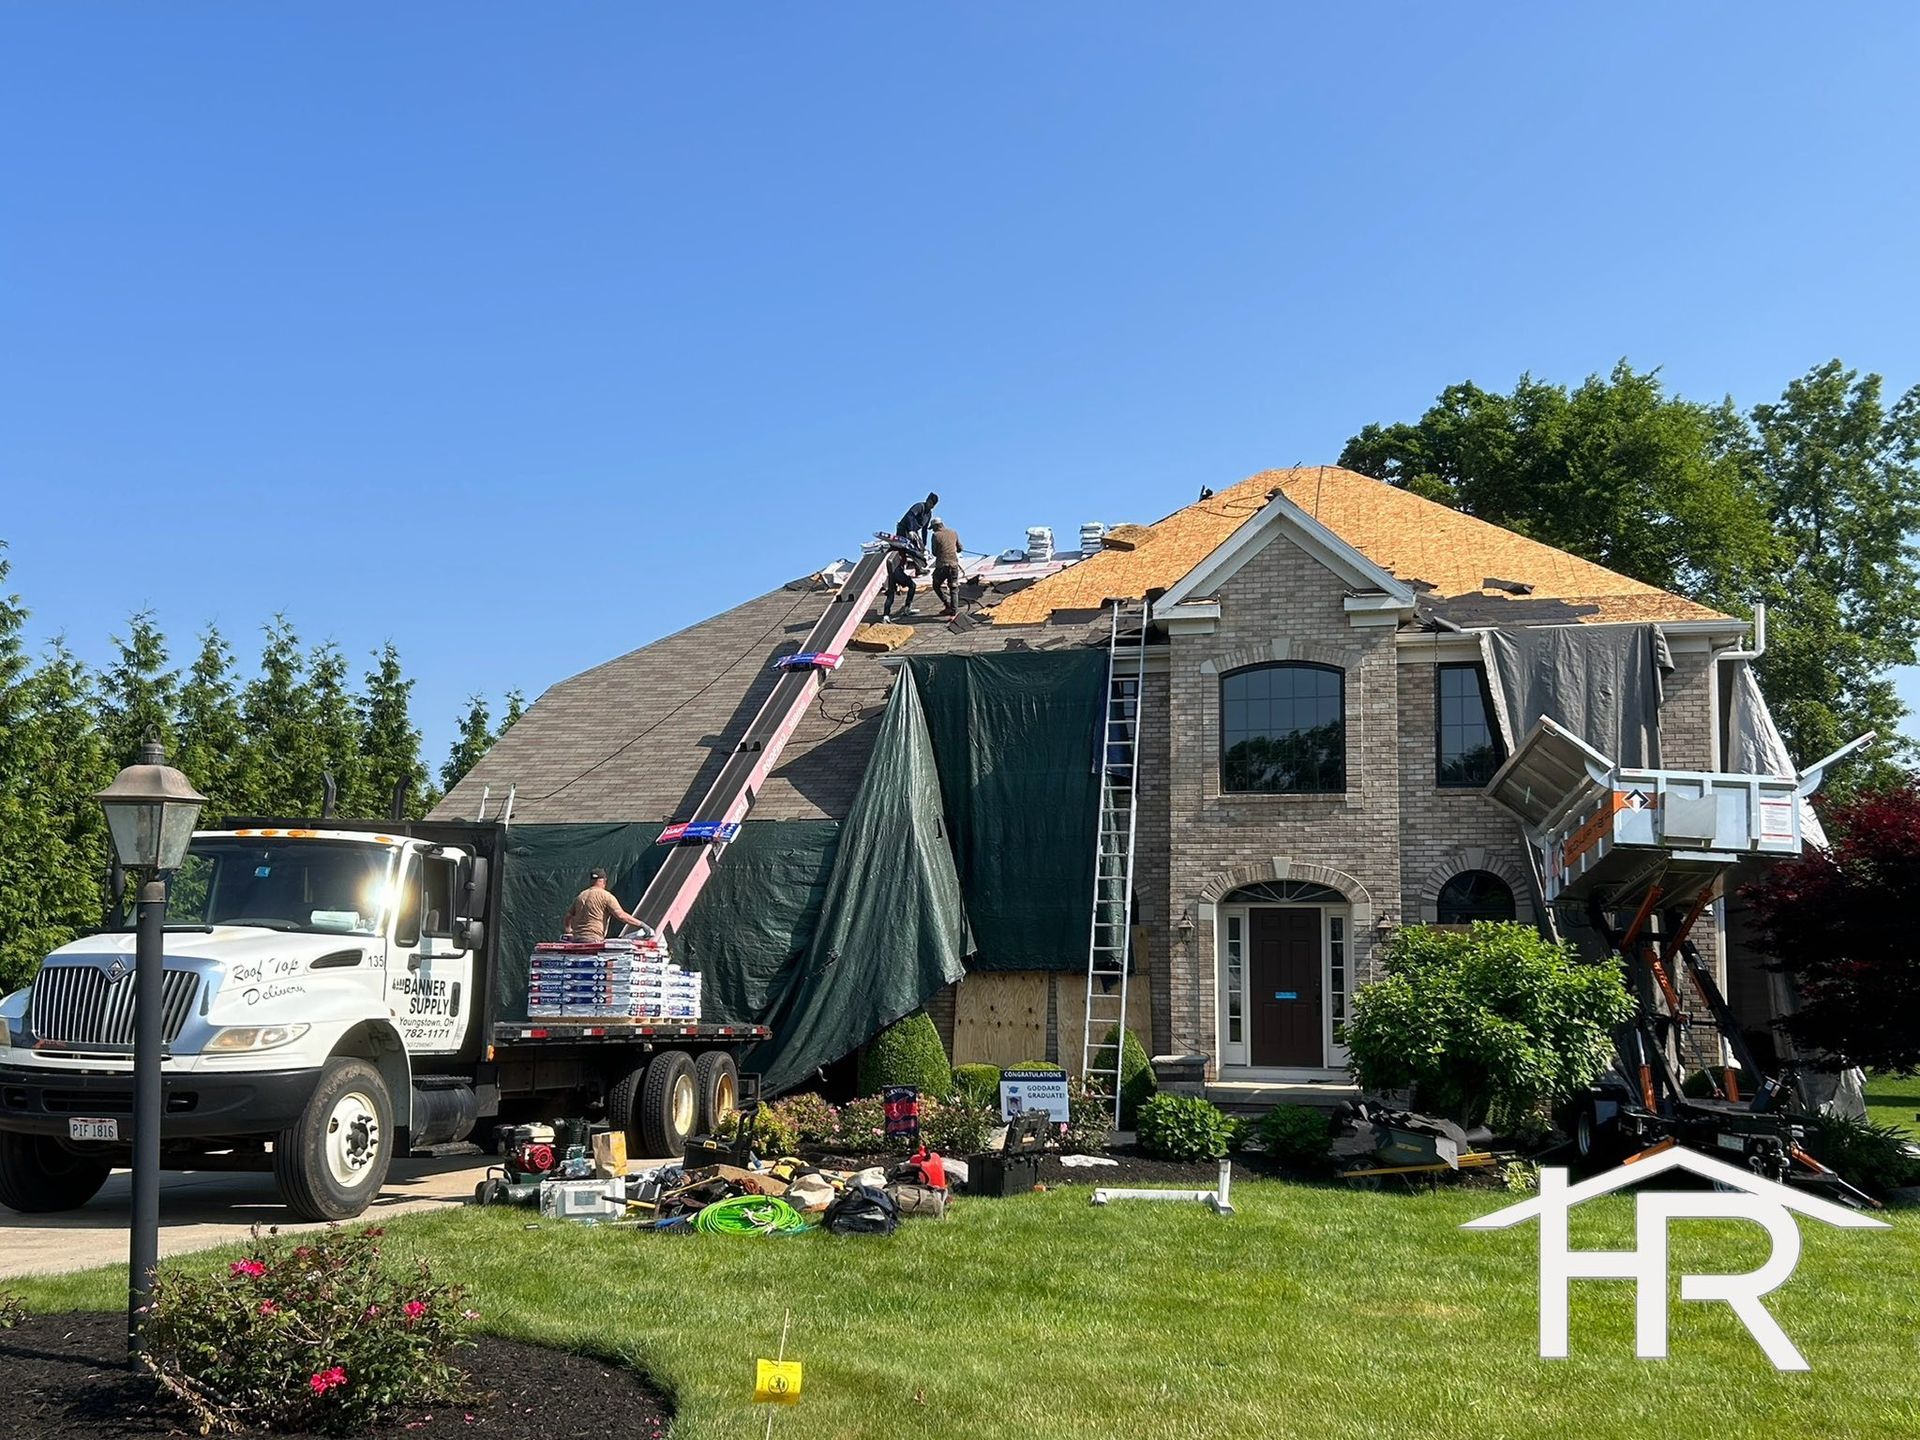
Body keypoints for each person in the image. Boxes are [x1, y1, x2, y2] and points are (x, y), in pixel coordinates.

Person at [563, 867, 644, 941]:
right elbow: (621, 915)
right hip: (593, 938)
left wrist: (568, 930)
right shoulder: (606, 896)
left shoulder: (581, 896)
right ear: (604, 881)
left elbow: (568, 915)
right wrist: (641, 924)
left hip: (577, 938)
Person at [929, 517, 963, 617]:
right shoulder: (953, 532)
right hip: (953, 566)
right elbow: (960, 548)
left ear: (936, 526)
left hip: (942, 566)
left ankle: (947, 604)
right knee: (953, 588)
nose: (933, 530)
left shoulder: (935, 535)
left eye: (933, 528)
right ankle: (954, 612)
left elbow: (934, 553)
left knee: (936, 585)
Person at [881, 546, 921, 618]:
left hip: (890, 573)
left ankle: (885, 615)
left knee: (891, 595)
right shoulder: (902, 548)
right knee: (912, 585)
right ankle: (907, 608)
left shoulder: (890, 550)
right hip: (897, 572)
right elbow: (915, 553)